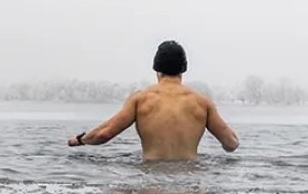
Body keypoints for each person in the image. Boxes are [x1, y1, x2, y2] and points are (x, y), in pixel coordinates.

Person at [67, 40, 239, 160]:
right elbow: (231, 143)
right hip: (189, 183)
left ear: (157, 69)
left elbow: (104, 134)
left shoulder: (141, 100)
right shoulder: (202, 103)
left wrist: (80, 140)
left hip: (151, 182)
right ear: (183, 70)